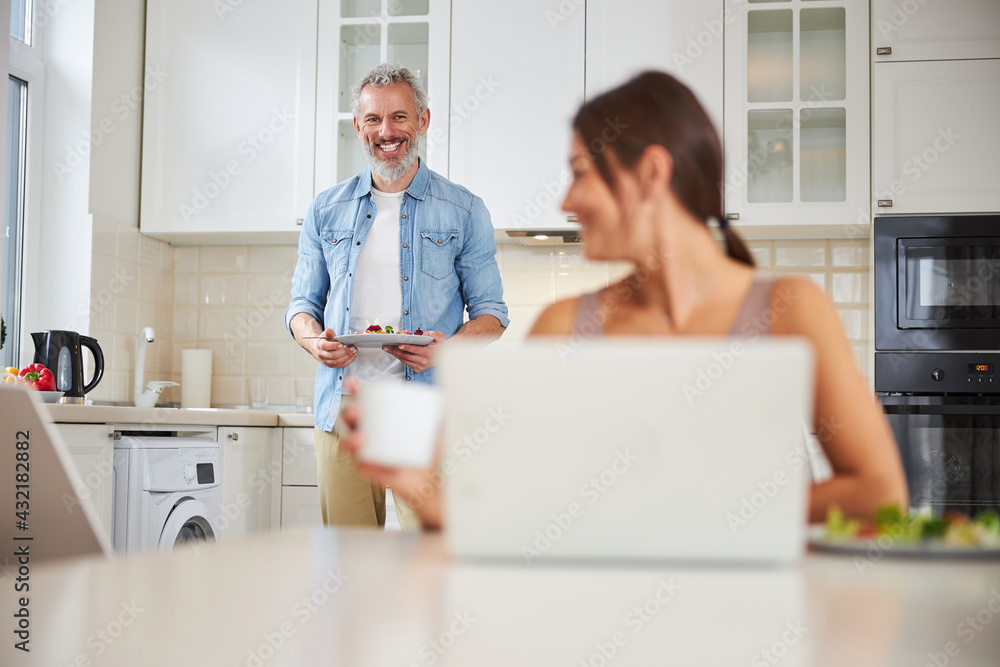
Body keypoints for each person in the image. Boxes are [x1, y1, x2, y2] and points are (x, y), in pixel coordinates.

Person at [340, 70, 908, 530]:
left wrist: (705, 514)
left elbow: (878, 493)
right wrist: (421, 485)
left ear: (652, 173)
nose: (566, 198)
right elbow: (514, 508)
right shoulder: (567, 327)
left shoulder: (790, 310)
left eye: (582, 172)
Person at [285, 63, 508, 529]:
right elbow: (302, 307)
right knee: (348, 566)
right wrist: (314, 343)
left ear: (422, 121)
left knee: (432, 562)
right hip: (344, 410)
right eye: (373, 120)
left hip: (427, 414)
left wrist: (445, 351)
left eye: (399, 118)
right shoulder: (326, 209)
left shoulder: (465, 209)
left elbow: (492, 315)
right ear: (358, 128)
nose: (386, 132)